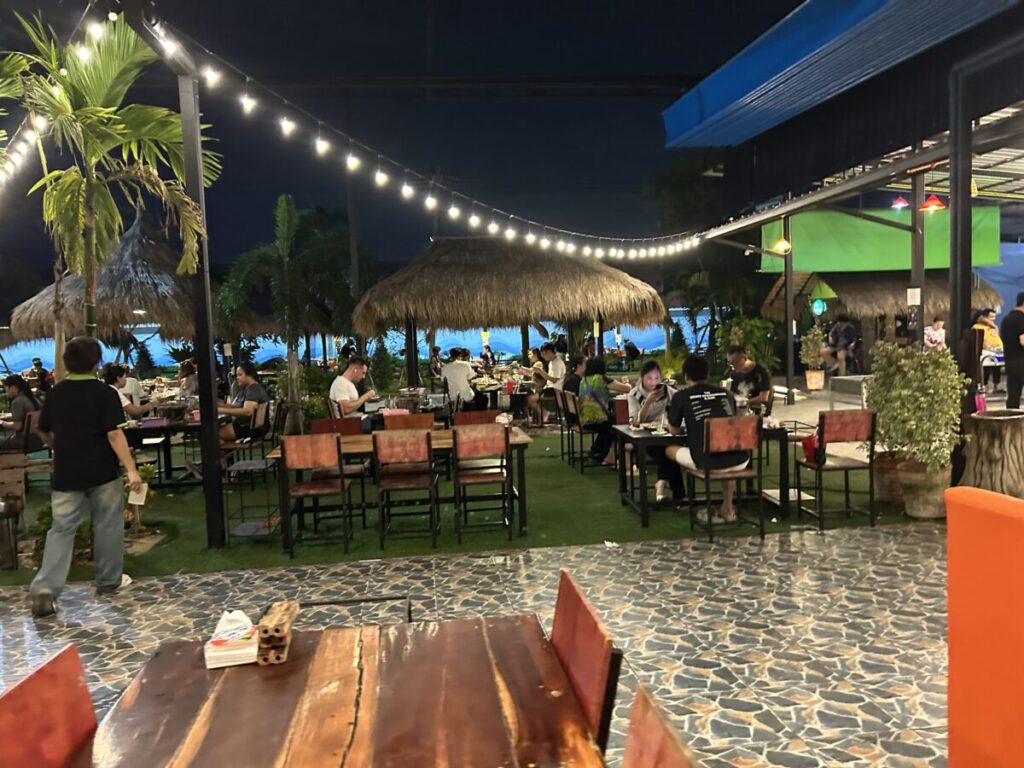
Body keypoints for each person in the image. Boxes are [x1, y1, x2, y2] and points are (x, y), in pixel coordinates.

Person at [29, 337, 143, 618]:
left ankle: (45, 589)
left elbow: (42, 429)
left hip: (67, 471)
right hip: (102, 471)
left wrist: (56, 446)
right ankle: (108, 582)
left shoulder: (56, 393)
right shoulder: (104, 394)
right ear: (97, 363)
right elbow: (114, 434)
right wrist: (131, 468)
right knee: (107, 525)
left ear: (67, 363)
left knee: (61, 530)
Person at [665, 355, 749, 523]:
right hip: (741, 458)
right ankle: (728, 508)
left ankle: (682, 496)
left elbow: (674, 431)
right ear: (707, 374)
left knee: (669, 450)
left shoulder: (681, 396)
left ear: (686, 375)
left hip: (706, 461)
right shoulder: (726, 394)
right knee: (726, 449)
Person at [626, 360, 681, 502]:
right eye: (649, 378)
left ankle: (666, 489)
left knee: (671, 450)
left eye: (657, 378)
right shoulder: (635, 394)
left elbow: (680, 401)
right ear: (642, 378)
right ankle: (676, 495)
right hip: (643, 437)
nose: (653, 382)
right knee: (668, 453)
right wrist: (649, 401)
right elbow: (636, 422)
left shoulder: (667, 392)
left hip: (664, 432)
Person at [217, 362, 270, 440]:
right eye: (236, 375)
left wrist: (220, 410)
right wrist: (218, 405)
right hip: (249, 426)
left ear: (250, 375)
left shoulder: (254, 389)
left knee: (212, 433)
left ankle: (223, 451)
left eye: (240, 375)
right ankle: (226, 451)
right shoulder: (248, 388)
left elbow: (247, 412)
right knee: (215, 434)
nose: (237, 378)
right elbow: (236, 406)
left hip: (250, 428)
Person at [579, 357, 617, 465]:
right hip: (599, 420)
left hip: (584, 420)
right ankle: (607, 453)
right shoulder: (602, 379)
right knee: (618, 422)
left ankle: (597, 451)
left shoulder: (583, 380)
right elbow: (626, 388)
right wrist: (627, 382)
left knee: (612, 421)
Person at [0, 374, 42, 452]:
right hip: (40, 439)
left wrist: (2, 422)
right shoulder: (34, 399)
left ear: (13, 387)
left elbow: (17, 426)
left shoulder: (17, 402)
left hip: (25, 441)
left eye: (6, 388)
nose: (6, 391)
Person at [726, 345, 772, 412]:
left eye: (734, 362)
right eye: (730, 363)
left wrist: (744, 402)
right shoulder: (734, 374)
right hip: (738, 409)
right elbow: (732, 394)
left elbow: (763, 397)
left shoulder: (761, 372)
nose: (732, 366)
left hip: (757, 410)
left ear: (743, 357)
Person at [1000, 292, 1024, 409]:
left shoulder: (1006, 319)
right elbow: (1023, 340)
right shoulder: (1021, 318)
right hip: (1021, 359)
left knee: (1013, 394)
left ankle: (1011, 419)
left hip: (1010, 359)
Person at [972, 308, 1004, 393]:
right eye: (991, 317)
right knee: (986, 369)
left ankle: (996, 386)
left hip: (997, 350)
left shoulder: (993, 327)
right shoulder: (977, 326)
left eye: (994, 317)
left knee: (997, 368)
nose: (993, 319)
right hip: (987, 351)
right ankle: (984, 386)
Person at [521, 347, 548, 426]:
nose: (528, 356)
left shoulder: (538, 363)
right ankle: (531, 418)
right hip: (537, 389)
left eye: (530, 354)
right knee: (524, 398)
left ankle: (541, 415)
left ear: (535, 354)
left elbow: (530, 371)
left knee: (525, 399)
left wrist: (519, 367)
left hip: (540, 390)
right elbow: (531, 374)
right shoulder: (537, 363)